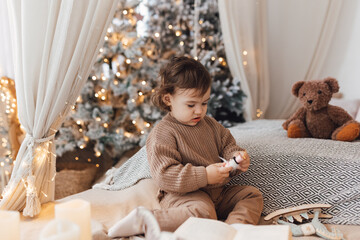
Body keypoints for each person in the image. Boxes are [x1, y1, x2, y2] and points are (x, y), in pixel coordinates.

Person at [108, 56, 263, 238]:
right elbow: (165, 175)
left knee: (252, 195)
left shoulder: (211, 125)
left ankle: (234, 229)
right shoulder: (163, 133)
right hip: (184, 195)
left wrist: (236, 159)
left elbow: (227, 145)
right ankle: (146, 219)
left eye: (204, 103)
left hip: (217, 193)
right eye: (191, 104)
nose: (199, 110)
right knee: (203, 213)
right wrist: (204, 175)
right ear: (168, 99)